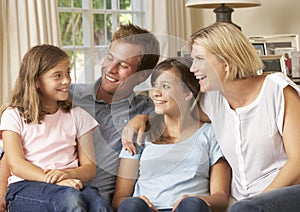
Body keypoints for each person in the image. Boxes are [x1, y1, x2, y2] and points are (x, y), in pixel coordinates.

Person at [122, 22, 300, 212]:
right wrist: (143, 118)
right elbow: (177, 110)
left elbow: (297, 163)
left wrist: (255, 203)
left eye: (200, 59)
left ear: (226, 60)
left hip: (282, 195)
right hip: (240, 203)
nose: (193, 68)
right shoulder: (213, 100)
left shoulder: (277, 90)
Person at [0, 44, 112, 211]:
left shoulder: (78, 115)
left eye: (68, 73)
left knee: (99, 204)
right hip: (26, 186)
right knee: (70, 199)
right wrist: (56, 180)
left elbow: (89, 168)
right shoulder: (13, 115)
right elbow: (16, 164)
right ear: (36, 81)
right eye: (57, 75)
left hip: (70, 182)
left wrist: (68, 175)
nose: (66, 80)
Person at [112, 57, 231, 212]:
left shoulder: (210, 134)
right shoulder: (140, 133)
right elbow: (119, 199)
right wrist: (136, 201)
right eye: (155, 85)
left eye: (166, 86)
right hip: (146, 210)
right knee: (132, 205)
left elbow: (221, 198)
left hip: (189, 210)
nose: (155, 93)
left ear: (187, 94)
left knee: (192, 206)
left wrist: (196, 200)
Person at [69, 23, 160, 204]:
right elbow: (19, 126)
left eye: (123, 66)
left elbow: (185, 113)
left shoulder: (145, 108)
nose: (111, 69)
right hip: (55, 194)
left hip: (98, 204)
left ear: (141, 76)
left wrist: (145, 118)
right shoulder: (70, 95)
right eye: (110, 58)